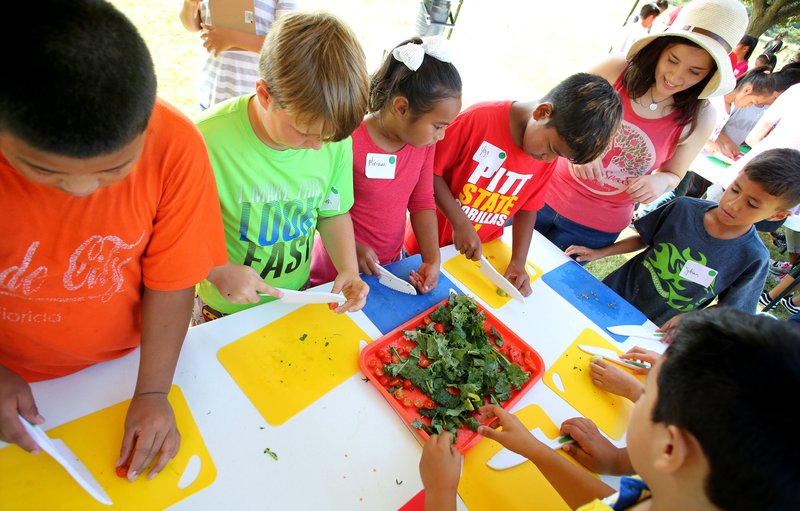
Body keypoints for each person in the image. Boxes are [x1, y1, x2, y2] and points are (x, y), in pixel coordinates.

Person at [0, 0, 227, 481]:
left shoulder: (177, 148)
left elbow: (172, 282)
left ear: (147, 125)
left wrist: (151, 392)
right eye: (42, 171)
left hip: (126, 369)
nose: (81, 190)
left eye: (113, 170)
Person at [419, 307, 800, 510]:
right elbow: (610, 502)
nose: (637, 393)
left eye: (646, 392)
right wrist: (534, 450)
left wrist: (440, 493)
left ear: (669, 448)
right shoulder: (681, 496)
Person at [193, 11, 370, 323]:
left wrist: (347, 267)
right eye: (304, 132)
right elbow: (173, 232)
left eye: (327, 137)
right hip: (224, 307)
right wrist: (216, 270)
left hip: (294, 294)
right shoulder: (205, 141)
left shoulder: (331, 140)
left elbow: (332, 211)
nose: (318, 146)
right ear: (265, 95)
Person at [537, 0, 749, 253]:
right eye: (672, 60)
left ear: (710, 75)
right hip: (540, 194)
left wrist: (660, 182)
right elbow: (548, 109)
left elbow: (673, 174)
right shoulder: (615, 69)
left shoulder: (701, 117)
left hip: (594, 228)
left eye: (694, 71)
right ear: (659, 49)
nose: (675, 77)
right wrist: (576, 147)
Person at [402, 73, 623, 296]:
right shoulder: (479, 120)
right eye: (552, 150)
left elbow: (528, 207)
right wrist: (460, 223)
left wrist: (518, 261)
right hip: (425, 248)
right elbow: (428, 174)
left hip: (477, 255)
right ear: (542, 113)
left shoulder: (544, 154)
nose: (548, 160)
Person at [565, 148, 800, 327]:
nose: (733, 204)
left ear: (778, 214)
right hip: (612, 292)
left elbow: (732, 311)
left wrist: (692, 318)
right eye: (735, 189)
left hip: (655, 328)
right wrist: (600, 253)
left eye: (752, 204)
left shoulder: (753, 258)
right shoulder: (683, 208)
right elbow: (645, 238)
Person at [309, 37, 461, 291]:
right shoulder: (348, 139)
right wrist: (351, 250)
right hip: (334, 270)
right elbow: (321, 209)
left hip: (388, 266)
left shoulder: (424, 145)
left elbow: (422, 202)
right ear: (401, 107)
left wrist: (432, 258)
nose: (441, 135)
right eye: (438, 126)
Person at [179, 0, 298, 110]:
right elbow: (193, 25)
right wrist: (189, 4)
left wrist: (233, 38)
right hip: (213, 92)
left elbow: (285, 43)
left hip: (254, 99)